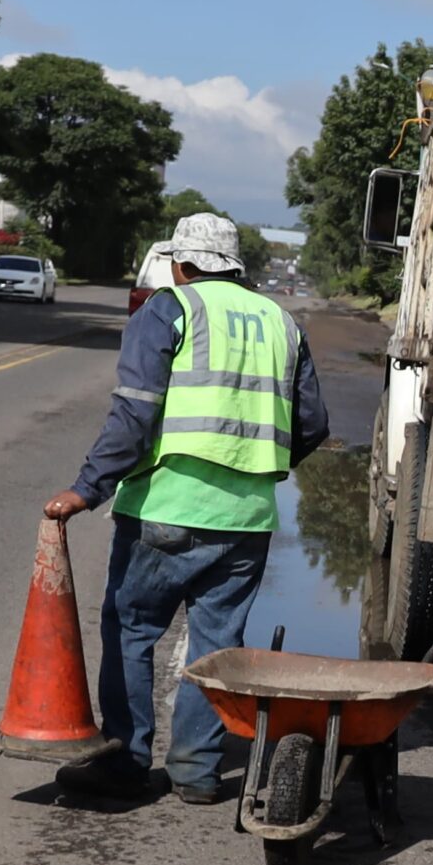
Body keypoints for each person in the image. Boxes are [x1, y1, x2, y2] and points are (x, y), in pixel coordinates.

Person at [44, 214, 328, 803]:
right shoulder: (283, 322)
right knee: (216, 646)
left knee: (131, 630)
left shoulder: (169, 308)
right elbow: (312, 425)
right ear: (235, 266)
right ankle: (197, 772)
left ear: (183, 264)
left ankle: (125, 764)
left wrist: (88, 487)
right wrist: (254, 465)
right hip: (248, 519)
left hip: (165, 508)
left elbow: (135, 414)